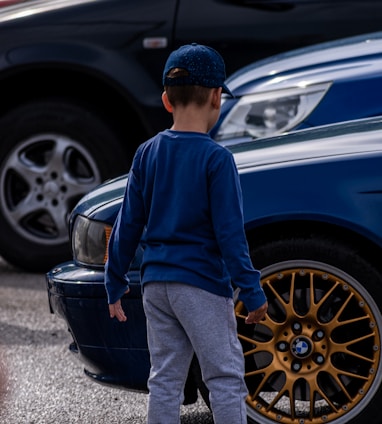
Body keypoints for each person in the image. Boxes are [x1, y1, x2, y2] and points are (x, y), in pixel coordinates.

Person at [104, 43, 268, 424]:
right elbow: (230, 235)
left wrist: (114, 281)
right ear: (216, 97)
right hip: (201, 285)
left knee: (165, 379)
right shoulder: (217, 159)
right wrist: (252, 289)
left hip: (156, 285)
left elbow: (127, 222)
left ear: (165, 100)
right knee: (225, 376)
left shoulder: (147, 152)